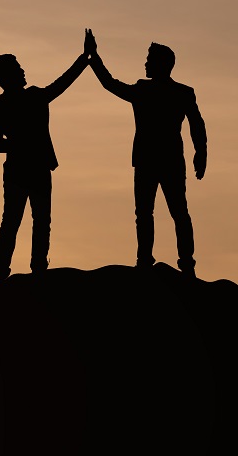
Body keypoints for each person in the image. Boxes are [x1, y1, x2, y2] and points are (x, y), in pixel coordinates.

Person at [84, 29, 207, 276]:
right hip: (150, 160)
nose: (146, 64)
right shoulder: (149, 90)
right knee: (148, 212)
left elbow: (197, 124)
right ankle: (147, 259)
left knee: (174, 211)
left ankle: (184, 263)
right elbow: (111, 84)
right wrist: (93, 57)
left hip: (164, 160)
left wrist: (201, 153)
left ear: (163, 64)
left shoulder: (178, 92)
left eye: (150, 61)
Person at [0, 49, 90, 284]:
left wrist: (84, 59)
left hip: (36, 167)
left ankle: (37, 268)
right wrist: (17, 144)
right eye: (17, 68)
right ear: (6, 76)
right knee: (15, 220)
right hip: (20, 169)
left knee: (39, 219)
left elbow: (62, 84)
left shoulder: (32, 96)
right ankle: (2, 271)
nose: (22, 71)